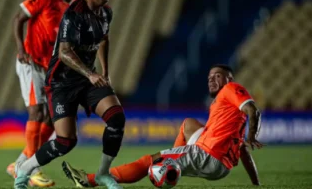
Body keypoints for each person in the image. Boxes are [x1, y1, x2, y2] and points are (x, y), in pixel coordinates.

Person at [14, 0, 126, 189]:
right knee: (66, 141)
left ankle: (103, 174)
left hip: (87, 79)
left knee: (116, 119)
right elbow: (64, 53)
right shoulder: (73, 15)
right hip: (62, 82)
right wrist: (91, 73)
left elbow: (103, 39)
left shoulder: (106, 13)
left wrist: (104, 72)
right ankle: (24, 170)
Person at [62, 64, 263, 187]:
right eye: (209, 76)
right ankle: (173, 160)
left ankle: (89, 180)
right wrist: (256, 183)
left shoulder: (232, 88)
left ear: (229, 79)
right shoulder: (228, 114)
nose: (211, 79)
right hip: (221, 168)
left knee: (147, 161)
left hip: (208, 155)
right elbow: (243, 149)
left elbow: (254, 110)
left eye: (217, 75)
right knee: (188, 124)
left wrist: (253, 135)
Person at [7, 0, 88, 187]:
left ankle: (21, 163)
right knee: (37, 111)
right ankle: (32, 170)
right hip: (30, 62)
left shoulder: (74, 8)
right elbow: (18, 18)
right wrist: (21, 49)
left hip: (50, 68)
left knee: (53, 118)